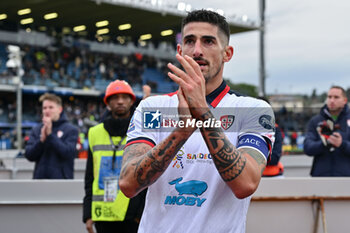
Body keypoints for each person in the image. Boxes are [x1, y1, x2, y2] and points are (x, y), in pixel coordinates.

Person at [119, 10, 275, 233]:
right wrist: (181, 132)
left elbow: (246, 185)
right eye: (190, 41)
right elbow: (128, 184)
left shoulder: (254, 110)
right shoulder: (151, 108)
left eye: (209, 41)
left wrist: (203, 114)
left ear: (227, 53)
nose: (197, 50)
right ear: (180, 51)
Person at [83, 80, 148, 233]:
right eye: (115, 97)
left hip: (132, 215)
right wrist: (88, 214)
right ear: (108, 103)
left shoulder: (141, 130)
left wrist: (140, 213)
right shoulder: (94, 133)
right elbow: (90, 177)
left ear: (132, 101)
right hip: (103, 215)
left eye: (124, 97)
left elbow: (147, 175)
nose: (120, 101)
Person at [25, 93, 78, 179]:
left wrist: (50, 135)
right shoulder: (37, 129)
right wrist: (41, 141)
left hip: (62, 183)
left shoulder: (71, 130)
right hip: (40, 182)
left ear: (59, 109)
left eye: (51, 107)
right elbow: (29, 155)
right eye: (44, 108)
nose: (47, 111)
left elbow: (68, 153)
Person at [304, 86, 350, 176]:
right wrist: (325, 143)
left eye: (336, 97)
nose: (332, 100)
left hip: (346, 180)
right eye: (329, 97)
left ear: (344, 100)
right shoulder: (315, 121)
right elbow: (307, 148)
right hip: (321, 180)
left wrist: (342, 144)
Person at [257, 96, 284, 177]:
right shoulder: (245, 129)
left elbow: (275, 158)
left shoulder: (275, 129)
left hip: (273, 175)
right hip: (252, 175)